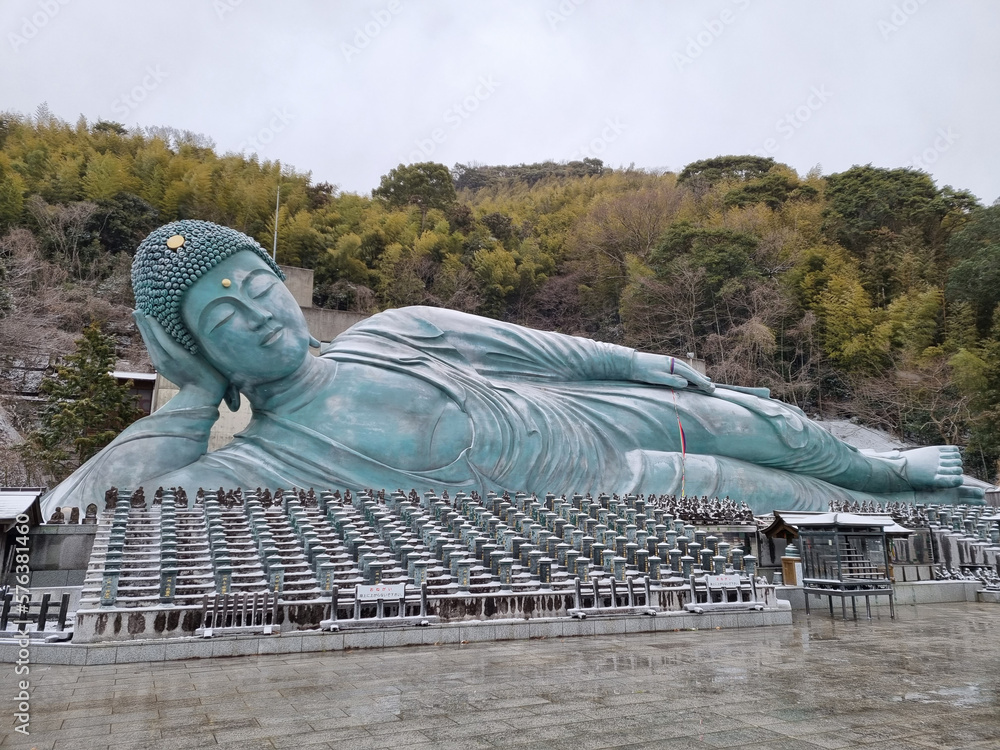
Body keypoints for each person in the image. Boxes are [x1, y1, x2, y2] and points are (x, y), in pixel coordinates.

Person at [40, 221, 983, 519]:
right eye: (221, 316)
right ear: (199, 347)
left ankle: (891, 468)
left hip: (587, 413)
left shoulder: (394, 329)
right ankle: (898, 505)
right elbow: (82, 527)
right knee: (787, 499)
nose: (256, 312)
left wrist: (647, 362)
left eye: (257, 282)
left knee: (764, 420)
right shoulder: (266, 462)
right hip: (605, 488)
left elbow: (536, 348)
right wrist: (191, 405)